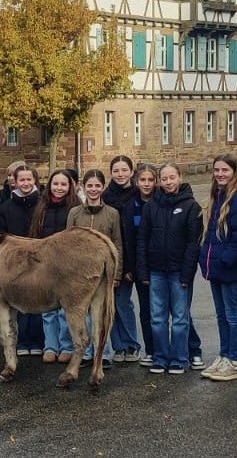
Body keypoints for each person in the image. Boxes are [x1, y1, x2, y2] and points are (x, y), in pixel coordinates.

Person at [136, 163, 202, 375]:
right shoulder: (151, 207)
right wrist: (143, 271)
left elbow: (193, 243)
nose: (168, 182)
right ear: (159, 181)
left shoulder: (191, 206)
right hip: (156, 271)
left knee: (180, 318)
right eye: (164, 178)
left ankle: (179, 358)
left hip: (178, 272)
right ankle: (161, 356)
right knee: (157, 317)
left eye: (172, 177)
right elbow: (142, 241)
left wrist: (187, 273)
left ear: (180, 177)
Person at [199, 154, 237, 382]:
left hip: (227, 267)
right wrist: (205, 259)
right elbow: (210, 235)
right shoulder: (217, 196)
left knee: (233, 314)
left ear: (234, 172)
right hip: (215, 267)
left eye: (225, 170)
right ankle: (224, 355)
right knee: (221, 315)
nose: (220, 174)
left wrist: (223, 261)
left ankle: (235, 361)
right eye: (217, 170)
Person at [66, 168, 122, 367]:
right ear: (83, 186)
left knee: (101, 314)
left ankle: (102, 353)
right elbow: (67, 242)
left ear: (103, 187)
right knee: (82, 315)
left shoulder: (112, 214)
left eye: (97, 185)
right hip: (79, 274)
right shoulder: (74, 213)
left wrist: (117, 273)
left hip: (103, 273)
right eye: (90, 185)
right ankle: (85, 352)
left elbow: (117, 243)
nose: (93, 189)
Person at [30, 169, 80, 363]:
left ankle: (66, 346)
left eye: (63, 184)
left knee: (64, 310)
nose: (59, 188)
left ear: (70, 187)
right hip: (45, 265)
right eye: (55, 184)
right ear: (49, 185)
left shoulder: (75, 208)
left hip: (67, 266)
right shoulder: (41, 207)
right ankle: (50, 346)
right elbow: (35, 235)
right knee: (47, 309)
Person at [0, 164, 43, 355]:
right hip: (16, 260)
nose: (25, 183)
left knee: (40, 298)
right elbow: (1, 234)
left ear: (35, 181)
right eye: (21, 180)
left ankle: (39, 340)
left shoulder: (43, 203)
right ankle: (23, 341)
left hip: (40, 258)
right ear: (15, 182)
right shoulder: (6, 207)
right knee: (21, 301)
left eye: (29, 180)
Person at [102, 155, 141, 363]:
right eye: (116, 171)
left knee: (124, 303)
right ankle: (119, 346)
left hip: (131, 256)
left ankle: (132, 344)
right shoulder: (105, 196)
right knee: (112, 304)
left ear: (131, 172)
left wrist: (131, 264)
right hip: (111, 259)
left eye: (124, 170)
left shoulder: (138, 194)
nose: (120, 174)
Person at [121, 164, 158, 366]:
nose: (146, 184)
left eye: (150, 180)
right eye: (142, 180)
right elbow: (128, 239)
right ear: (136, 182)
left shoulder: (161, 202)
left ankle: (180, 350)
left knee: (170, 311)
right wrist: (129, 267)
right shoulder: (130, 206)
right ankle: (152, 350)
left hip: (160, 265)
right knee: (146, 311)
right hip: (139, 265)